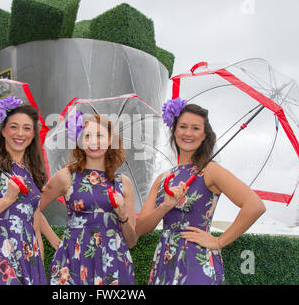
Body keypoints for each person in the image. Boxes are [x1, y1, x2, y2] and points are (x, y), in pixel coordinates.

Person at [136, 99, 266, 285]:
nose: (188, 133)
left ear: (204, 135)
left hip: (197, 262)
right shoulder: (163, 178)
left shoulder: (210, 170)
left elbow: (255, 206)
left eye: (196, 128)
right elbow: (140, 228)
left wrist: (219, 241)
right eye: (183, 126)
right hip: (164, 263)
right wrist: (164, 206)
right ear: (174, 130)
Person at [0, 97, 59, 285]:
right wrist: (7, 199)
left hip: (30, 258)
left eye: (27, 128)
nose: (20, 133)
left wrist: (39, 264)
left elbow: (35, 222)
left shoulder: (33, 172)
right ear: (4, 131)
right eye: (14, 126)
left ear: (33, 134)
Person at [39, 113, 138, 285]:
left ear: (110, 140)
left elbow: (131, 241)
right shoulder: (66, 176)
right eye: (87, 135)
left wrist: (122, 215)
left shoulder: (123, 183)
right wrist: (54, 240)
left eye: (99, 135)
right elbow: (32, 208)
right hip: (73, 261)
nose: (94, 142)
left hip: (114, 262)